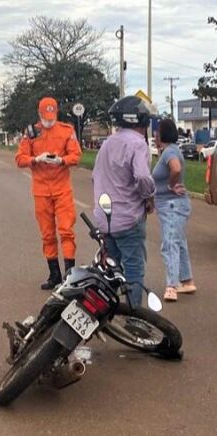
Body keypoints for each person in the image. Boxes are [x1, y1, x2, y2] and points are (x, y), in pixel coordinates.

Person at [92, 95, 157, 308]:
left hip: (105, 220)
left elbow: (96, 177)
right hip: (128, 219)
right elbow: (143, 177)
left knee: (111, 270)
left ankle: (105, 314)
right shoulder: (137, 144)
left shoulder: (108, 143)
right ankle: (133, 318)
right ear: (143, 121)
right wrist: (148, 197)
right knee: (133, 271)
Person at [15, 97, 82, 289]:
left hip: (62, 190)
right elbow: (20, 159)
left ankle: (70, 277)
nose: (49, 122)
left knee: (67, 232)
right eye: (46, 118)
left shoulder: (67, 130)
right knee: (47, 234)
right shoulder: (31, 133)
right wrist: (36, 159)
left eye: (52, 118)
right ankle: (54, 275)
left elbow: (76, 155)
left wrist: (61, 161)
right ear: (39, 114)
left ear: (57, 113)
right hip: (41, 191)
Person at [153, 118, 196, 301]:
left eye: (157, 132)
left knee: (169, 244)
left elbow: (176, 169)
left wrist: (171, 184)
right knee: (179, 242)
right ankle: (187, 281)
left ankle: (172, 285)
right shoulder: (169, 151)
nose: (155, 135)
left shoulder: (169, 151)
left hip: (172, 205)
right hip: (171, 205)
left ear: (162, 134)